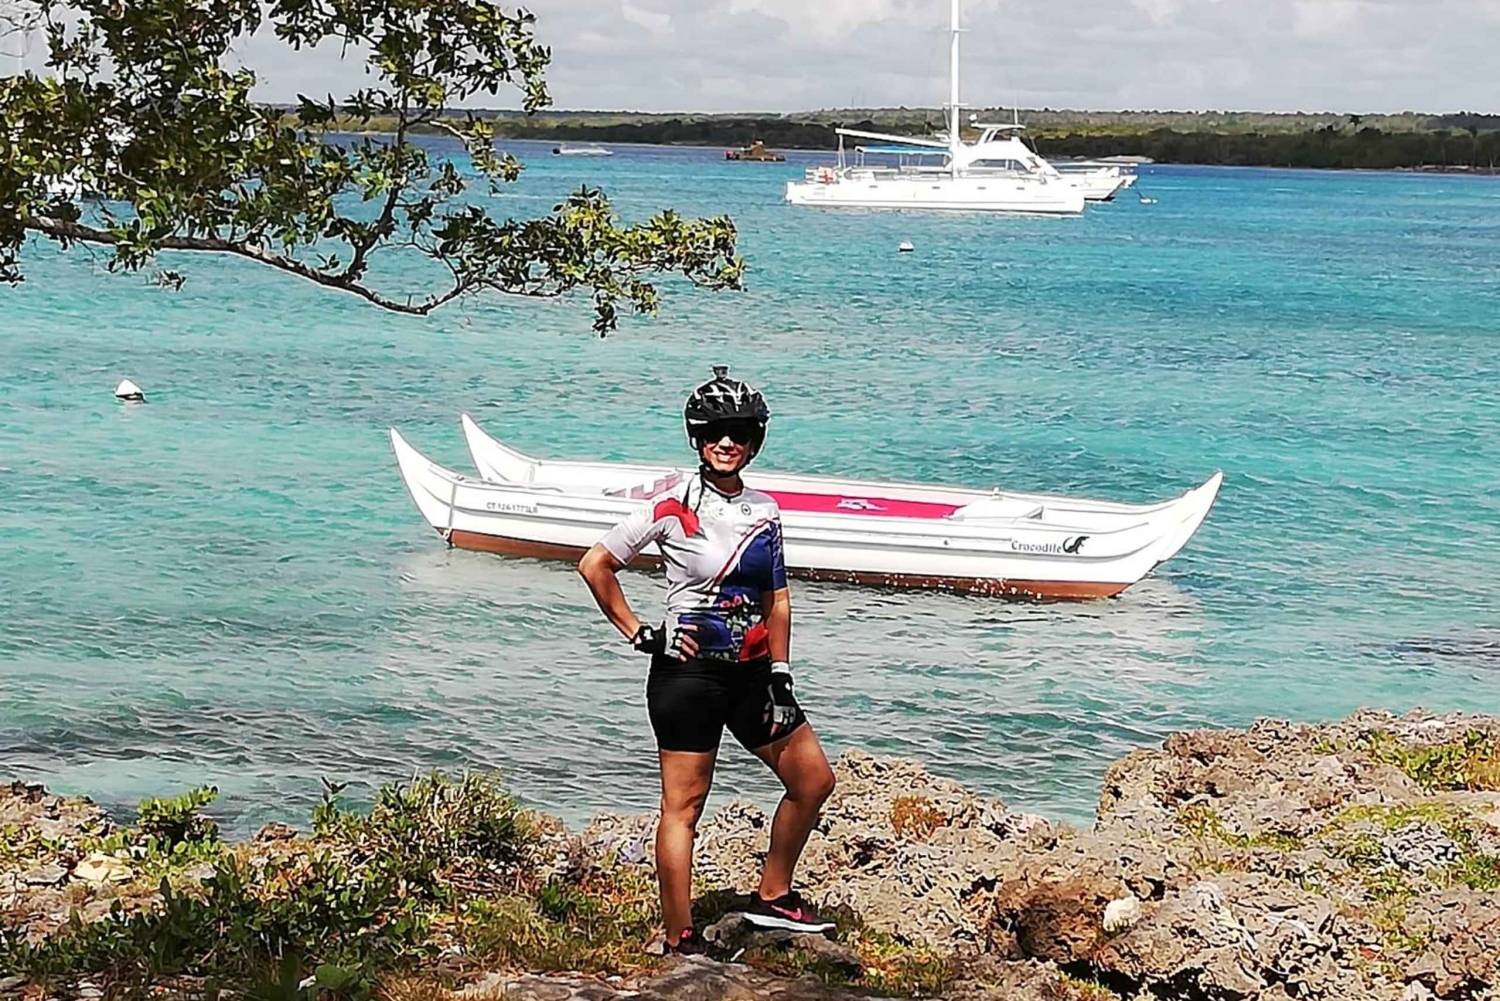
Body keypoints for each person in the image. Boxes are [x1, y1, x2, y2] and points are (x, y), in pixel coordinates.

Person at [577, 367, 837, 956]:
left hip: (753, 674)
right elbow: (596, 565)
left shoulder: (765, 511)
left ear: (754, 441)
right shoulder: (671, 502)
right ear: (698, 437)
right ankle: (680, 937)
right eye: (717, 431)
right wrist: (643, 634)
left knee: (813, 779)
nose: (728, 442)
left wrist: (781, 670)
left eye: (741, 432)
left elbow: (778, 598)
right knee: (684, 807)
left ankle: (774, 894)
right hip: (687, 676)